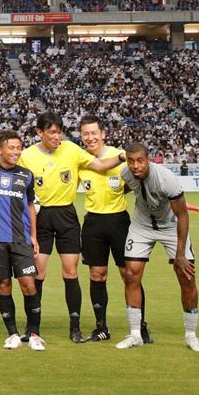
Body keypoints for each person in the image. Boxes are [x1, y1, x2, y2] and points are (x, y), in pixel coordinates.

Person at [19, 111, 125, 343]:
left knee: (71, 271)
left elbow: (100, 165)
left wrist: (122, 156)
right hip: (40, 217)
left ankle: (75, 328)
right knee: (38, 272)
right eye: (52, 132)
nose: (57, 137)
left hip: (66, 216)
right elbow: (9, 170)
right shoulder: (26, 156)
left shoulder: (71, 149)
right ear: (39, 132)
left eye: (59, 132)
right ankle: (33, 327)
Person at [114, 143, 199, 352]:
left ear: (148, 160)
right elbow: (130, 186)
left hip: (171, 227)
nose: (135, 166)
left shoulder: (166, 179)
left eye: (140, 161)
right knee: (131, 275)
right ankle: (135, 335)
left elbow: (183, 216)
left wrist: (180, 254)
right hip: (142, 226)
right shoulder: (126, 173)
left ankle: (191, 335)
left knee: (187, 278)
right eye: (131, 161)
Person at [79, 116, 150, 343]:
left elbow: (138, 178)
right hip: (93, 223)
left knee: (129, 275)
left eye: (94, 133)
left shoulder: (121, 155)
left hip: (119, 221)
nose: (90, 138)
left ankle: (140, 326)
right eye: (85, 134)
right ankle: (101, 327)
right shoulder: (79, 159)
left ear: (103, 134)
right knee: (97, 275)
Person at [0, 130, 44, 351]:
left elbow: (31, 205)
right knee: (3, 285)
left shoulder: (26, 175)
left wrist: (33, 235)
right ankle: (12, 334)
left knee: (28, 285)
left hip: (20, 238)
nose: (16, 152)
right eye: (11, 148)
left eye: (18, 148)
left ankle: (34, 333)